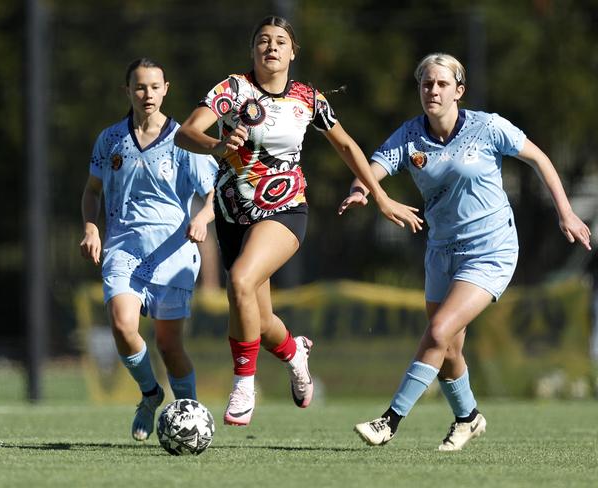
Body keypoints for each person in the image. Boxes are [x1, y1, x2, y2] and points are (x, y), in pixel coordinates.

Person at [174, 15, 423, 426]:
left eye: (280, 41)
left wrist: (379, 196)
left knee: (239, 280)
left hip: (286, 209)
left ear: (293, 52)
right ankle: (295, 352)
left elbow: (345, 145)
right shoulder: (233, 89)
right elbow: (186, 133)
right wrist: (217, 144)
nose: (271, 47)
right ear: (252, 49)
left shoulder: (308, 98)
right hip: (234, 214)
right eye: (263, 41)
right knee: (262, 318)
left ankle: (244, 383)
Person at [339, 52, 592, 451]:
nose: (433, 90)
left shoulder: (487, 127)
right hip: (441, 251)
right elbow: (370, 170)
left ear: (459, 90)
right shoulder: (409, 137)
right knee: (450, 348)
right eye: (426, 84)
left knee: (437, 332)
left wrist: (567, 213)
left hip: (491, 249)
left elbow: (539, 158)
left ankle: (389, 421)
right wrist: (360, 192)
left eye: (442, 84)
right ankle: (468, 418)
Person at [79, 58, 218, 441]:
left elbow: (212, 195)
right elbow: (92, 192)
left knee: (169, 345)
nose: (148, 94)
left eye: (155, 87)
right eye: (140, 87)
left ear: (166, 89)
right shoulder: (109, 140)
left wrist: (203, 218)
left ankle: (191, 423)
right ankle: (150, 393)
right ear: (128, 91)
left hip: (173, 254)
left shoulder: (183, 140)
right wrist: (92, 226)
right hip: (123, 250)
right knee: (123, 326)